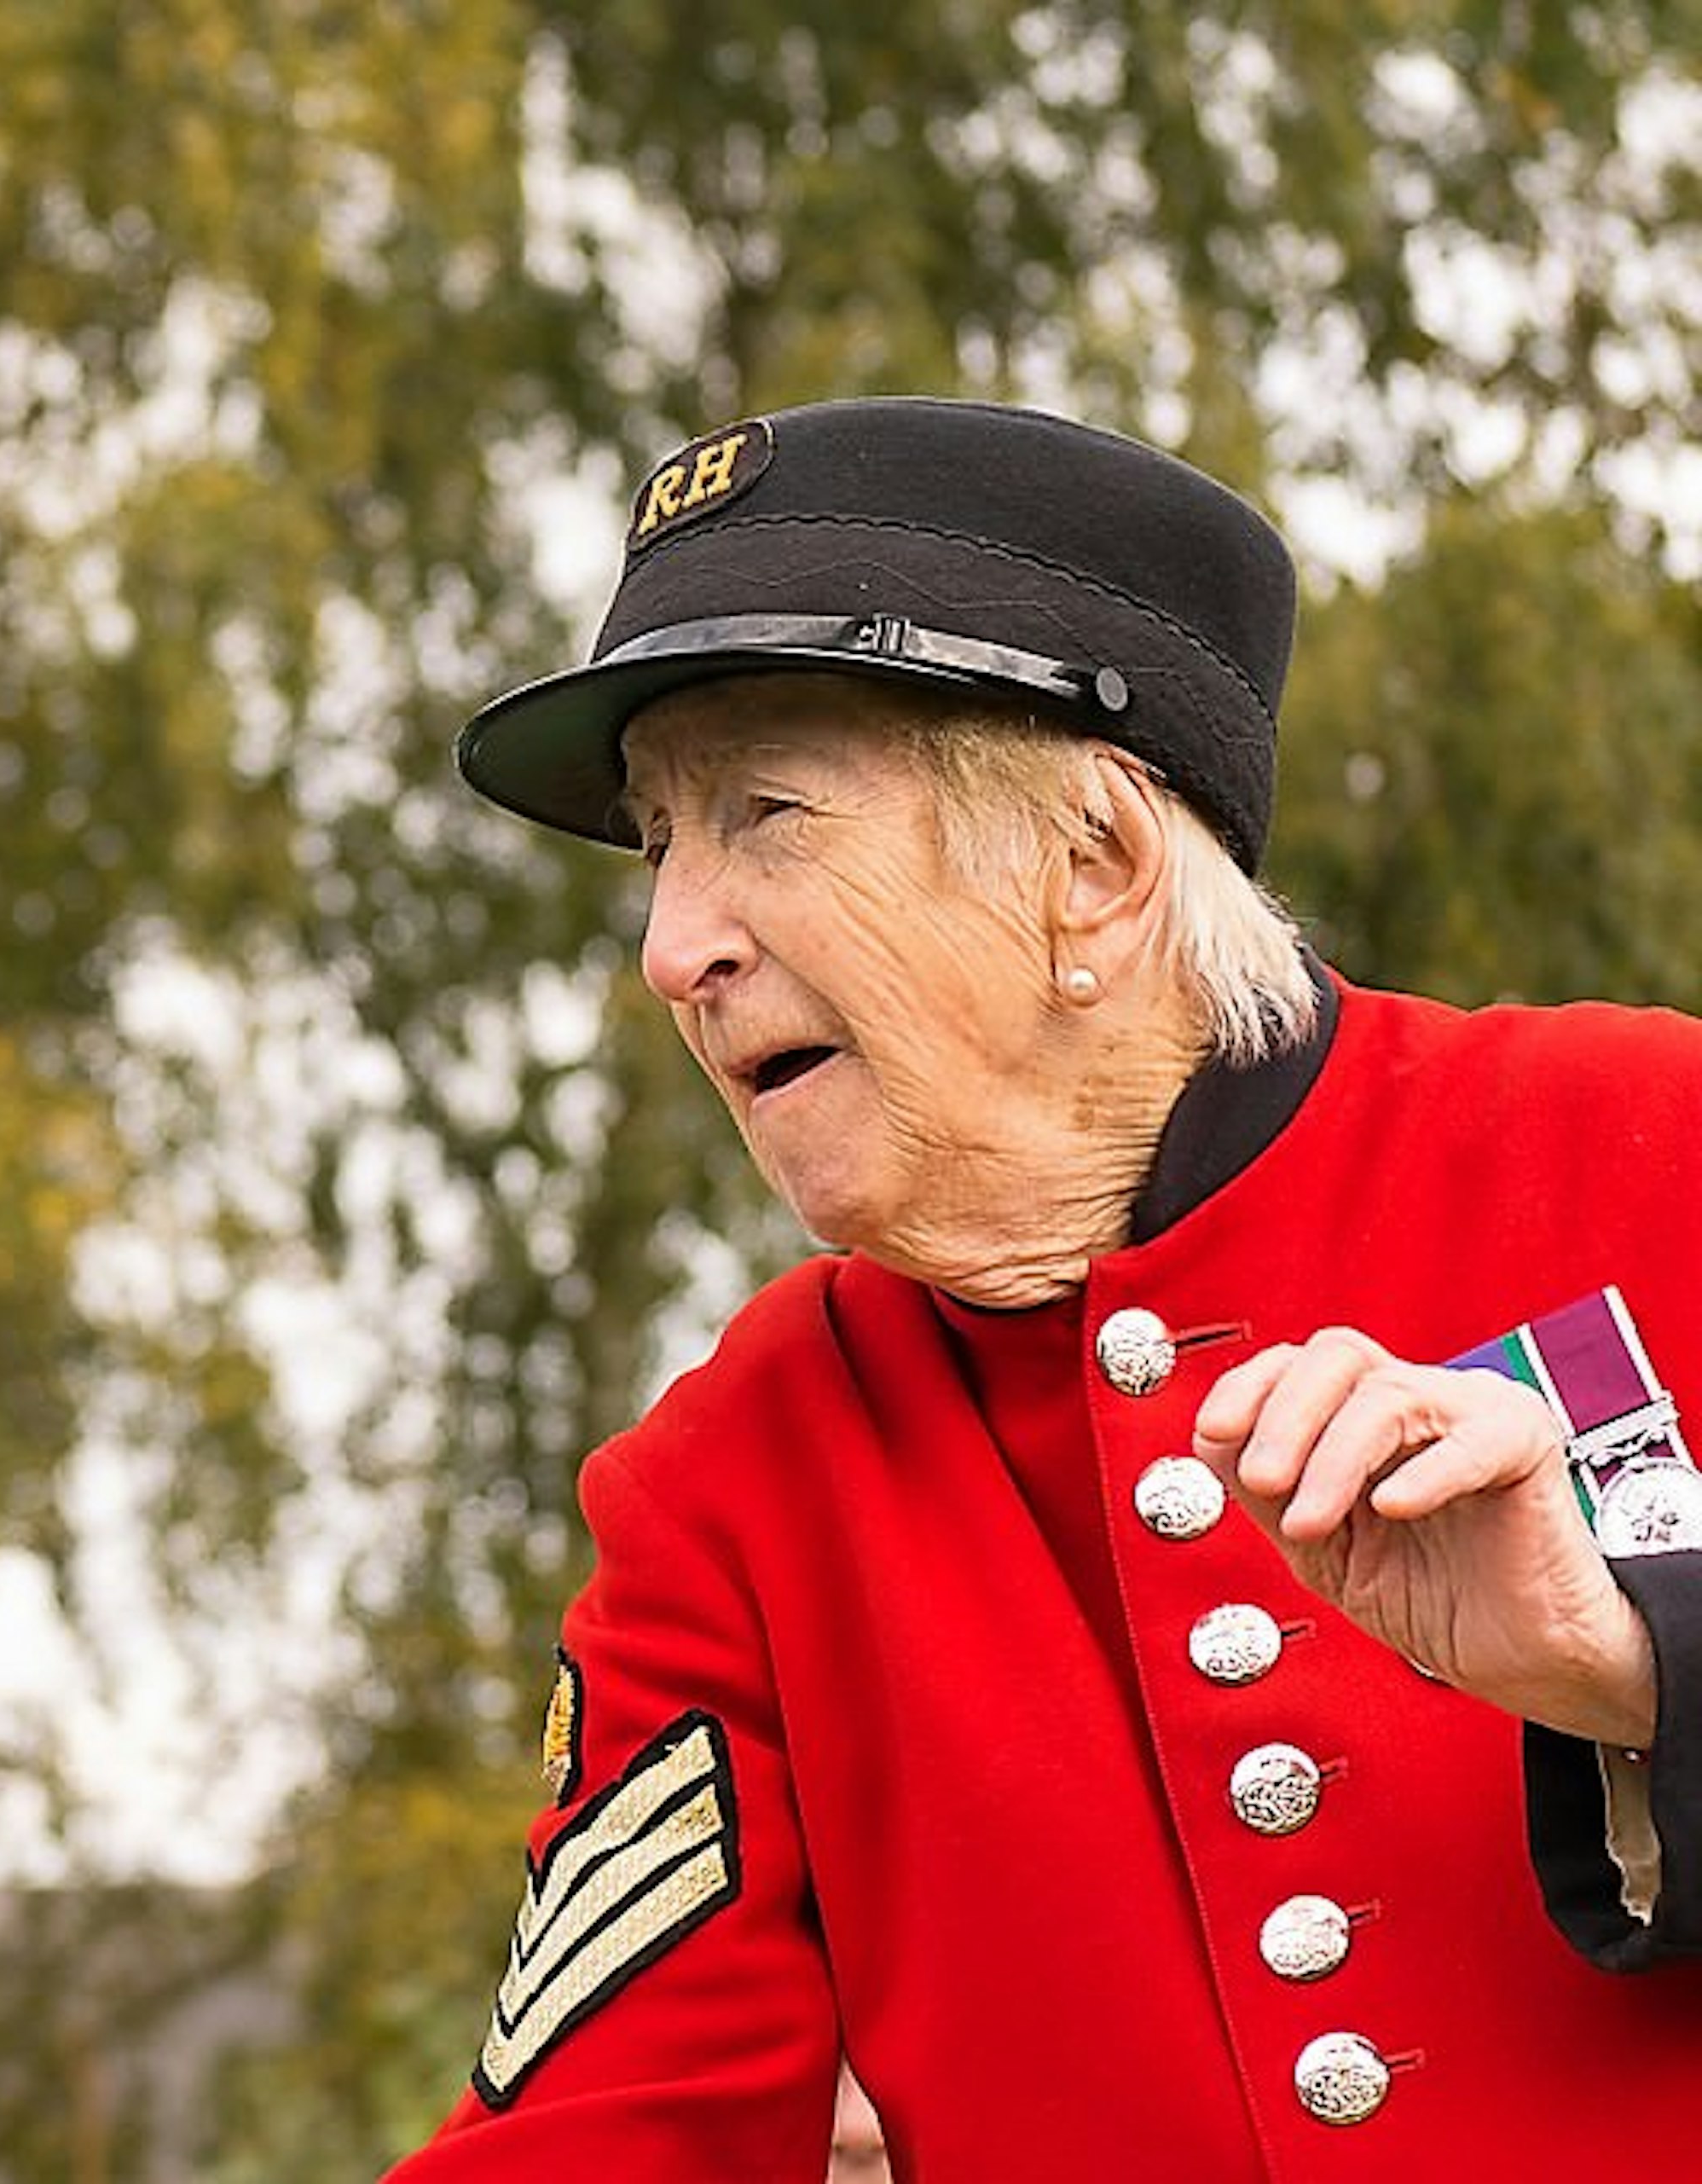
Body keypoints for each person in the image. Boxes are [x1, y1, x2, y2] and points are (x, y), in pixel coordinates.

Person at [386, 395, 1702, 2180]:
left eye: (766, 812)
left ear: (1094, 870)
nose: (672, 951)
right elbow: (606, 2140)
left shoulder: (1651, 1147)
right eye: (660, 841)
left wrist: (1643, 1670)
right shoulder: (734, 1486)